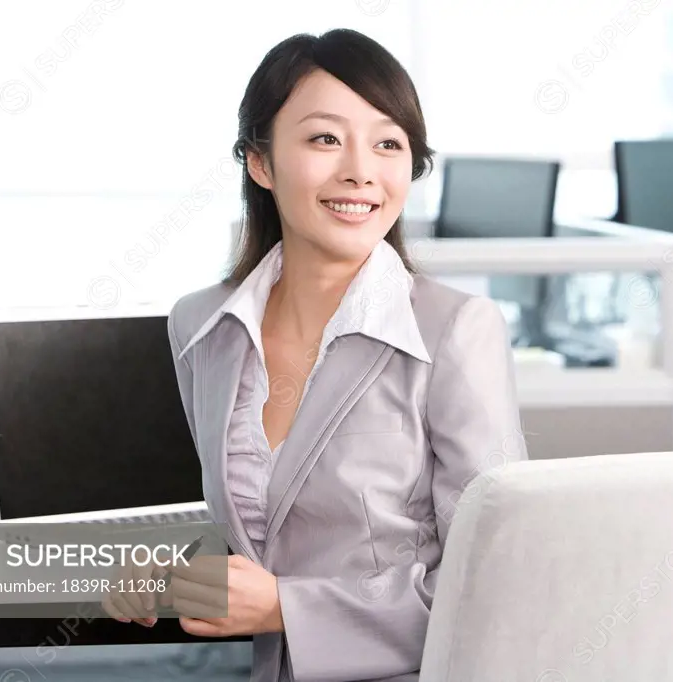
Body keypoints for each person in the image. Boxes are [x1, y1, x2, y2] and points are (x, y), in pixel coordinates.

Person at [102, 28, 528, 682]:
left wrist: (286, 607)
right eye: (326, 138)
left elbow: (498, 581)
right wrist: (165, 564)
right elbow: (258, 521)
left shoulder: (455, 331)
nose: (360, 170)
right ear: (261, 162)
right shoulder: (203, 327)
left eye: (388, 143)